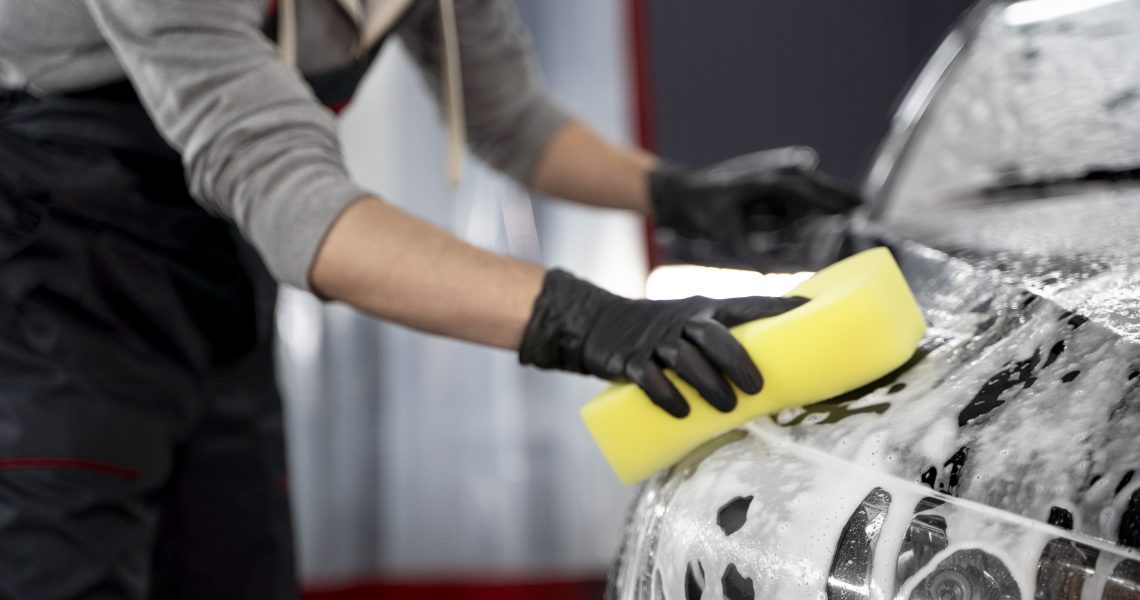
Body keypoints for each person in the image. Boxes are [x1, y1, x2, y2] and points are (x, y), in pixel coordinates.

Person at [0, 0, 859, 597]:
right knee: (61, 567)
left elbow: (511, 119)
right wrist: (589, 320)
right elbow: (287, 194)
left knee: (234, 568)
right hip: (53, 272)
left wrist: (678, 195)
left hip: (214, 278)